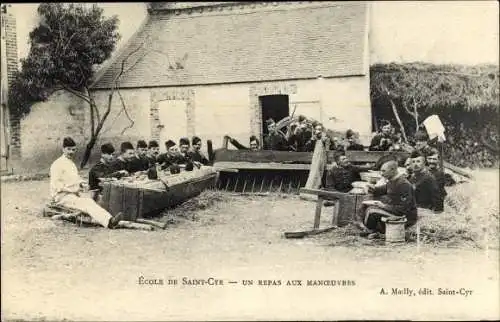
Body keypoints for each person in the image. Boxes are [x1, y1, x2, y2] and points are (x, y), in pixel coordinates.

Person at [49, 137, 125, 228]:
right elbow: (56, 185)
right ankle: (110, 222)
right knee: (87, 203)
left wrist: (81, 184)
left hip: (73, 194)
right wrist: (73, 189)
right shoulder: (57, 164)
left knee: (92, 201)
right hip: (62, 196)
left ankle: (107, 218)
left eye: (73, 149)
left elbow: (75, 179)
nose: (71, 152)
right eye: (68, 149)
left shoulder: (71, 164)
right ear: (63, 149)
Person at [361, 160, 417, 239]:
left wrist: (384, 206)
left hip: (405, 216)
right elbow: (381, 190)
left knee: (371, 211)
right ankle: (374, 230)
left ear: (393, 170)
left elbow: (404, 209)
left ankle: (372, 231)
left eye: (384, 171)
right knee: (365, 206)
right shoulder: (392, 181)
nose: (382, 173)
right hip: (395, 210)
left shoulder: (403, 184)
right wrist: (371, 188)